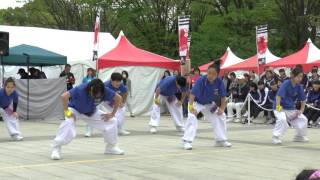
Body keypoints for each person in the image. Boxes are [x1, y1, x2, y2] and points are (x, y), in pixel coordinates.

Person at [50, 79, 124, 160]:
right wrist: (67, 112)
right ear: (90, 89)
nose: (95, 97)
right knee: (68, 123)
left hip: (91, 112)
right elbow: (64, 96)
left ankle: (111, 147)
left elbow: (118, 98)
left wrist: (112, 114)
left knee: (112, 121)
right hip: (75, 110)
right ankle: (56, 148)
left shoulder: (105, 90)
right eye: (93, 94)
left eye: (97, 96)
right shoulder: (80, 88)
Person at [182, 62, 232, 150]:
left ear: (217, 75)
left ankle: (220, 140)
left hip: (209, 104)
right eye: (209, 73)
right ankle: (187, 141)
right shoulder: (201, 80)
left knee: (221, 116)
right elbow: (192, 94)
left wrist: (222, 108)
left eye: (213, 74)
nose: (210, 75)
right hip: (197, 103)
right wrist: (190, 107)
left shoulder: (219, 81)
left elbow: (223, 97)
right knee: (192, 116)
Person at [272, 67, 309, 145]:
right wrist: (278, 107)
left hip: (290, 108)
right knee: (282, 120)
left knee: (303, 119)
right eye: (298, 76)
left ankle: (298, 136)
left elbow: (303, 99)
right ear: (293, 75)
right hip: (279, 106)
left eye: (301, 76)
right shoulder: (286, 83)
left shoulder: (299, 86)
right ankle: (275, 137)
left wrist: (302, 110)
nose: (300, 78)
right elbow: (278, 96)